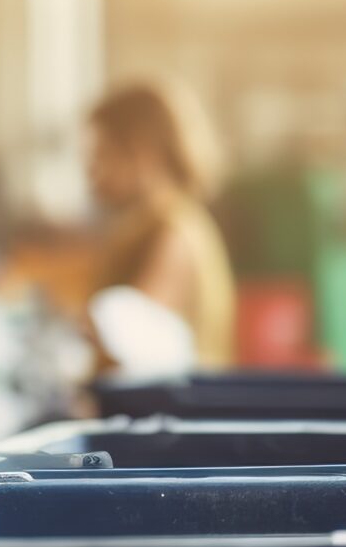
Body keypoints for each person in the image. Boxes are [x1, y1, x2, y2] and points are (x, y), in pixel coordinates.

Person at [85, 79, 237, 369]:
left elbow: (131, 335)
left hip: (169, 410)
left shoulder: (173, 232)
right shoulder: (149, 225)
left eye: (102, 155)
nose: (91, 171)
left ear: (142, 153)